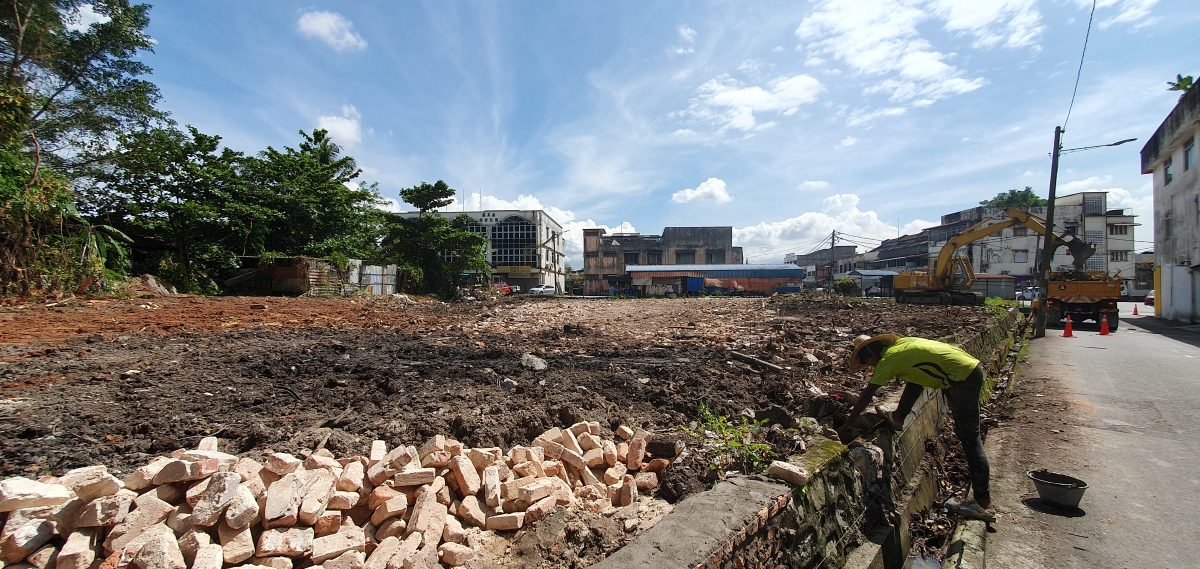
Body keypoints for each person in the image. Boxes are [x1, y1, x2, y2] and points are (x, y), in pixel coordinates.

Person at [839, 333, 995, 522]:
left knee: (970, 438)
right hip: (966, 368)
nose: (870, 366)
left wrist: (849, 423)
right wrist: (899, 416)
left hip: (963, 376)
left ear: (871, 355)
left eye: (868, 362)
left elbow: (867, 394)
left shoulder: (889, 358)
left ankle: (981, 502)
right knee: (967, 435)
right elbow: (917, 380)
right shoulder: (904, 346)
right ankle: (898, 417)